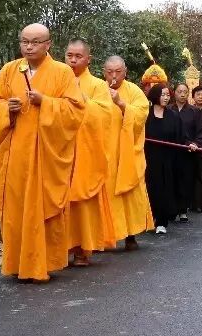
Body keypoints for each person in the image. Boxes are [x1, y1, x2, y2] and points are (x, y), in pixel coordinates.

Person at [0, 24, 84, 282]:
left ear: (48, 44)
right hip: (15, 155)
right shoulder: (9, 70)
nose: (29, 47)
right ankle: (17, 264)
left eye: (35, 42)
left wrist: (45, 102)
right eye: (24, 41)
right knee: (16, 210)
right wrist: (7, 109)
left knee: (41, 208)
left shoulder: (62, 72)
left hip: (45, 156)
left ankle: (41, 265)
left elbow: (76, 111)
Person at [63, 40, 118, 265]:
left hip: (86, 151)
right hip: (60, 150)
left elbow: (106, 116)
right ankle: (60, 248)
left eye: (78, 56)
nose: (73, 60)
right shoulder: (58, 80)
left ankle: (82, 248)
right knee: (59, 199)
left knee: (82, 203)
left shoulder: (97, 85)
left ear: (88, 59)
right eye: (69, 55)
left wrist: (84, 101)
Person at [104, 56, 154, 246]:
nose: (114, 76)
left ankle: (131, 235)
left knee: (130, 194)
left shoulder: (134, 91)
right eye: (110, 72)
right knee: (107, 195)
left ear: (125, 72)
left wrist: (122, 104)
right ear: (103, 72)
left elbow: (141, 116)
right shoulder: (99, 90)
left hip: (128, 152)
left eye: (118, 72)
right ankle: (106, 236)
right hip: (105, 152)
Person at [144, 84, 181, 234]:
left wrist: (189, 144)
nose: (166, 98)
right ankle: (149, 218)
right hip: (148, 156)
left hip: (167, 157)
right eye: (163, 95)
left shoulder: (173, 115)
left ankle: (161, 221)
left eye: (167, 95)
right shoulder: (145, 113)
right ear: (155, 96)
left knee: (165, 187)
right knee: (150, 187)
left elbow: (179, 136)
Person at [170, 83, 199, 221]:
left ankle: (183, 210)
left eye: (185, 92)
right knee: (171, 180)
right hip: (171, 150)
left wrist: (196, 143)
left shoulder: (194, 111)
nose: (182, 94)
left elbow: (201, 130)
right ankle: (171, 210)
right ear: (174, 92)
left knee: (185, 180)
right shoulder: (168, 109)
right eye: (179, 91)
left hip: (188, 151)